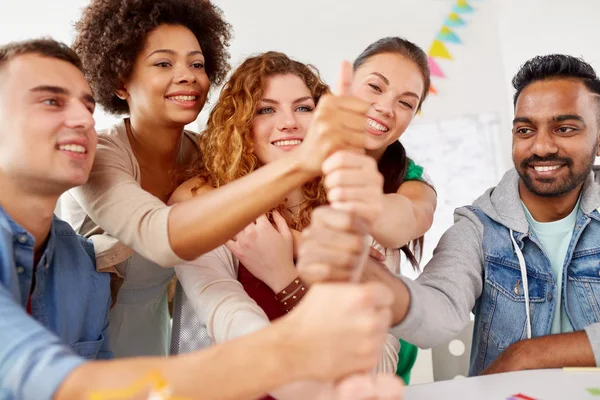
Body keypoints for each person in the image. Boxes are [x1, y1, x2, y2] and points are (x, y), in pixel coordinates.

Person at [0, 36, 401, 400]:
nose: (82, 120)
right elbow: (61, 381)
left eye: (87, 106)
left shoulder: (80, 268)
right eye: (51, 101)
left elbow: (380, 353)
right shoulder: (179, 189)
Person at [61, 0, 370, 358]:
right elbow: (162, 236)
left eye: (197, 63)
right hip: (83, 333)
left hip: (154, 330)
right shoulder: (97, 156)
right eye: (163, 63)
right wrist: (303, 236)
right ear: (120, 81)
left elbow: (234, 210)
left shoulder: (207, 155)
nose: (188, 75)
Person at [299, 54, 600, 376]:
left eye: (565, 128)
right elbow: (437, 310)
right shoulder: (478, 228)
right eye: (525, 130)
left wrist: (528, 355)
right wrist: (367, 276)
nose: (541, 147)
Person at [171, 52, 399, 399]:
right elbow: (239, 335)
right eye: (266, 109)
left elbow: (378, 364)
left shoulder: (361, 208)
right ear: (241, 125)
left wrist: (284, 279)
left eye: (304, 108)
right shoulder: (207, 208)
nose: (289, 122)